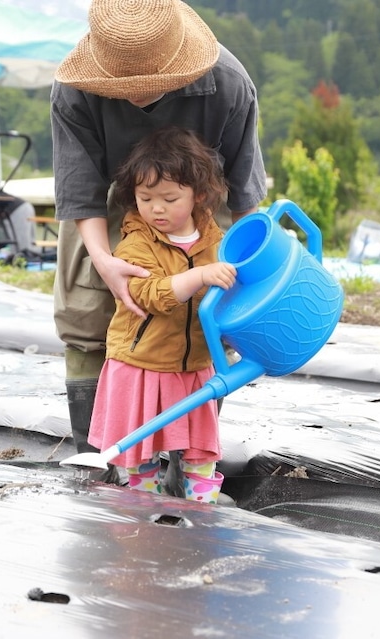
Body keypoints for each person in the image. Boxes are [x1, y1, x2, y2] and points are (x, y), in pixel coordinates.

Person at [50, 0, 267, 472]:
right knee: (86, 313)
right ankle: (100, 456)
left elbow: (245, 192)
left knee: (210, 314)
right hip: (111, 197)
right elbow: (80, 190)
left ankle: (189, 462)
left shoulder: (228, 83)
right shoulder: (74, 89)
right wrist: (104, 262)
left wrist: (252, 268)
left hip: (200, 203)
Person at [87, 126, 236, 503]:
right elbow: (150, 294)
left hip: (194, 367)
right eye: (145, 197)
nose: (156, 208)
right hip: (143, 365)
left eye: (170, 198)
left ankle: (203, 512)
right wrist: (198, 276)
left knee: (200, 454)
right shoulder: (136, 242)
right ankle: (144, 513)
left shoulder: (215, 241)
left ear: (198, 194)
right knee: (141, 456)